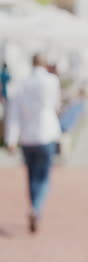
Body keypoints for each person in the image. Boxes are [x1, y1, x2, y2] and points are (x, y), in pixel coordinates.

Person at [5, 54, 62, 233]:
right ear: (44, 64)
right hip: (46, 134)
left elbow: (14, 114)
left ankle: (33, 206)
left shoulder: (21, 83)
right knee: (44, 176)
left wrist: (11, 140)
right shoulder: (52, 81)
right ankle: (36, 208)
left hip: (27, 138)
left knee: (31, 175)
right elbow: (56, 105)